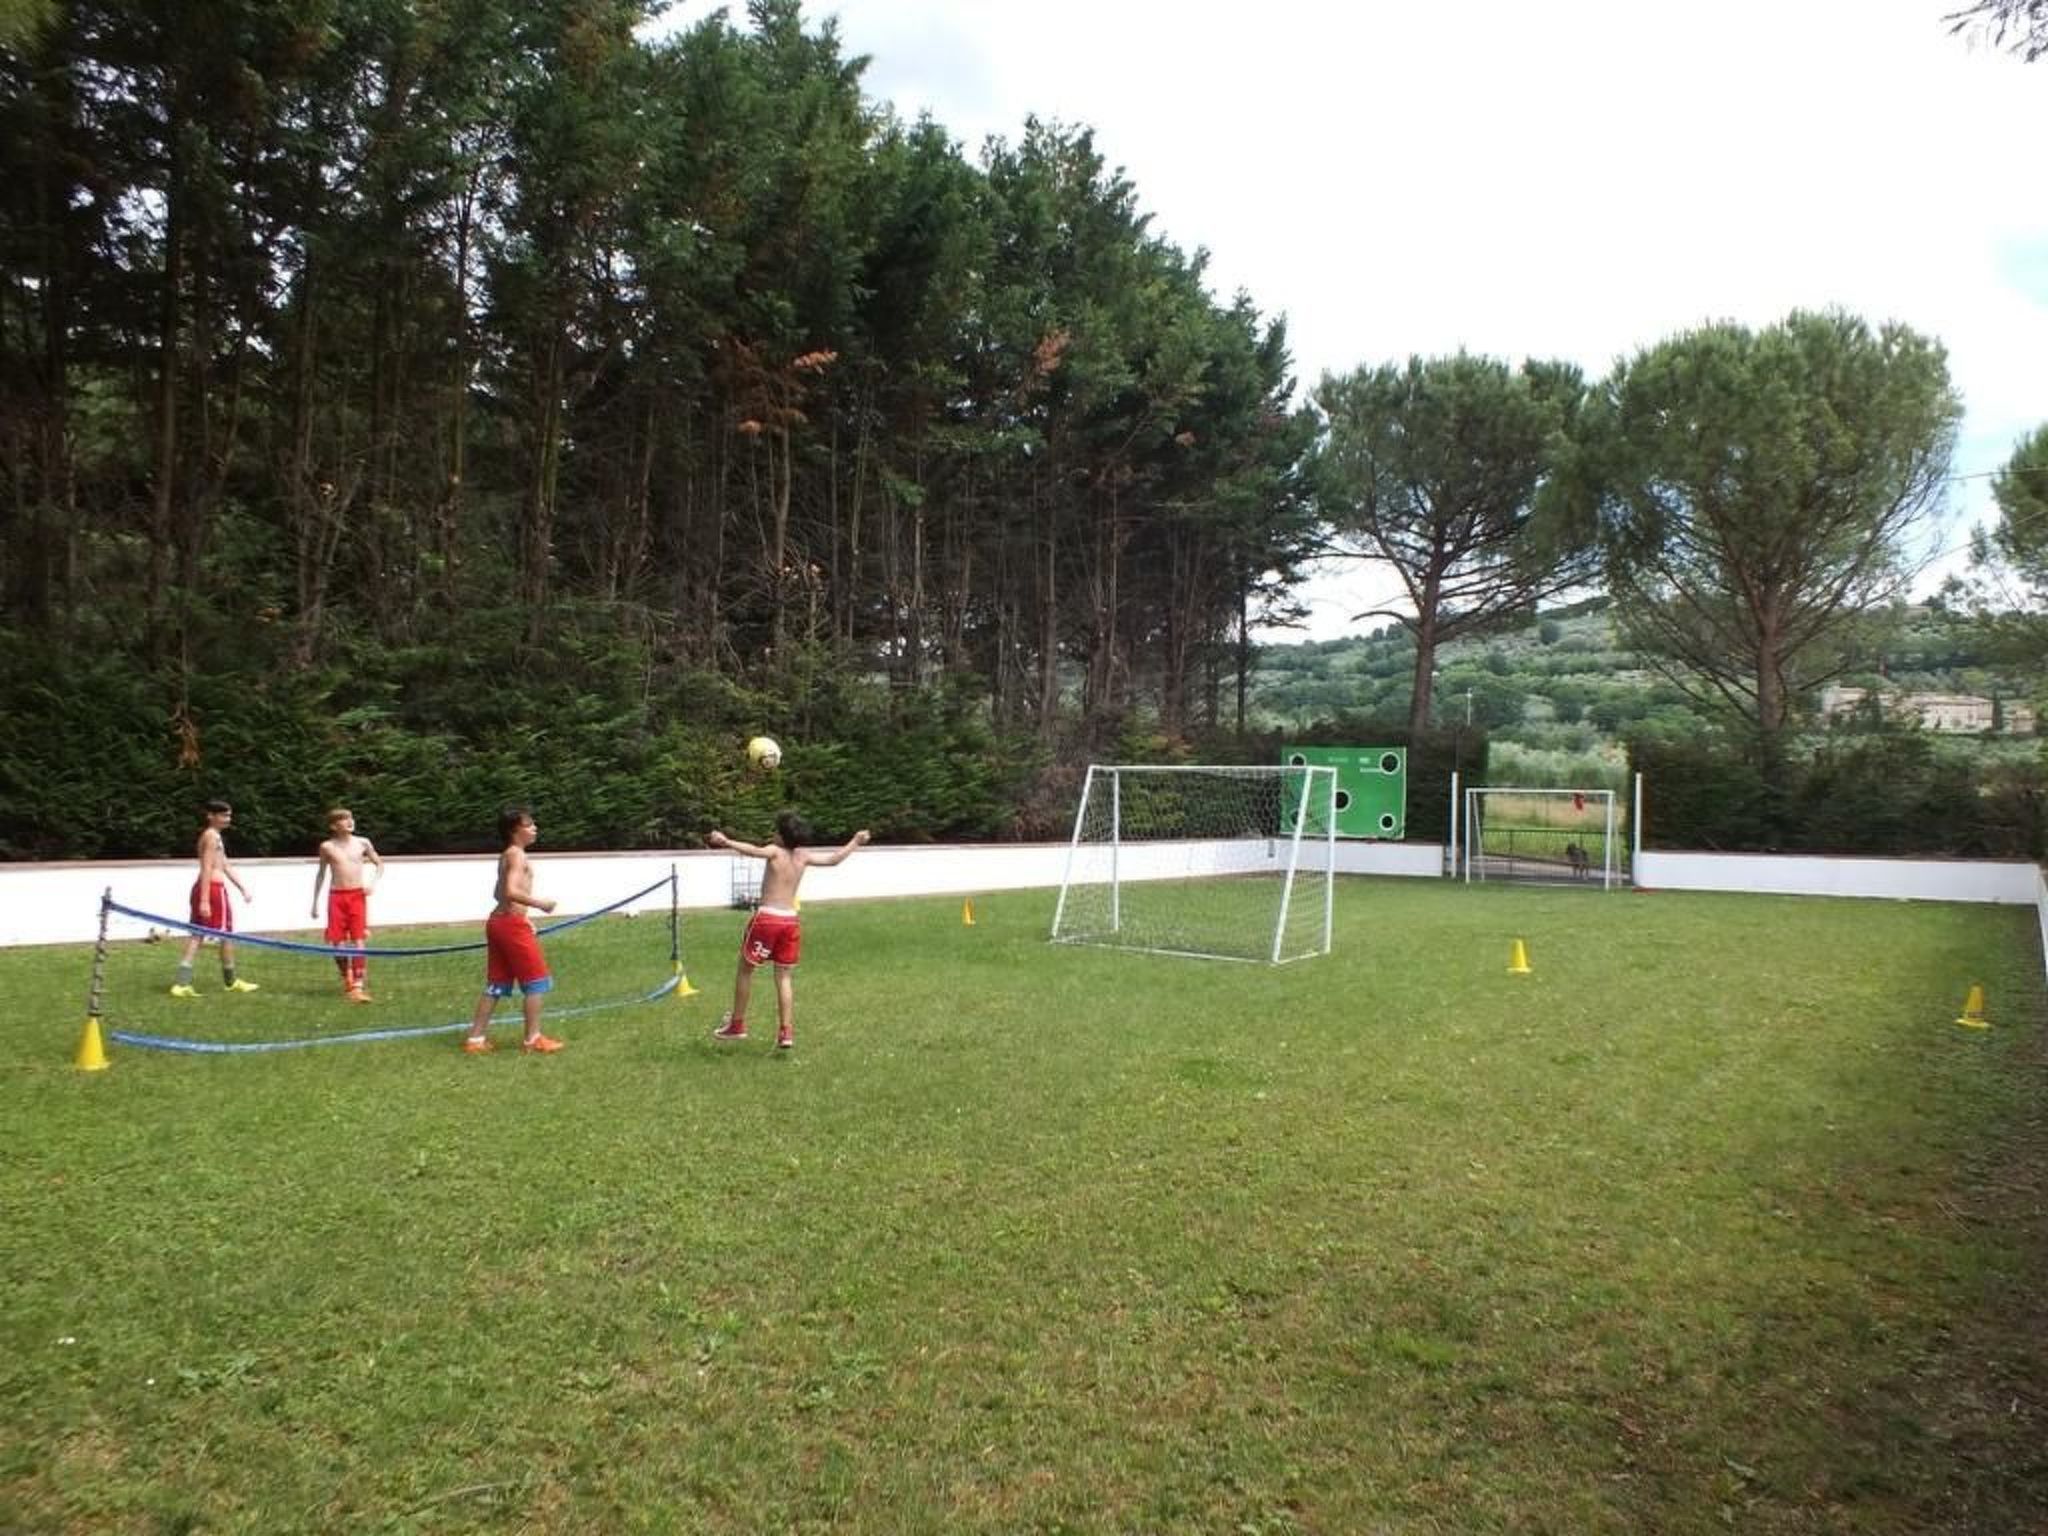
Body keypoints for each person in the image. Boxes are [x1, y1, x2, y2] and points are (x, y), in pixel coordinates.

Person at [708, 812, 871, 1051]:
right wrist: (855, 842)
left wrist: (725, 841)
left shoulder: (774, 851)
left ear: (782, 836)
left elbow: (752, 850)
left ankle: (737, 1024)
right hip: (790, 921)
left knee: (745, 970)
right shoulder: (802, 856)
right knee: (783, 977)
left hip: (767, 920)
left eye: (776, 830)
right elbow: (834, 860)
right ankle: (786, 1032)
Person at [462, 806, 563, 1055]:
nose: (534, 828)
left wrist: (521, 914)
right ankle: (533, 1039)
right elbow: (509, 891)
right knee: (536, 982)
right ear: (514, 830)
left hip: (499, 922)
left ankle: (475, 1040)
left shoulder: (507, 854)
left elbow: (498, 893)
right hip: (509, 926)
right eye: (529, 825)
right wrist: (541, 905)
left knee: (496, 984)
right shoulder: (516, 855)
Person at [170, 799, 259, 997]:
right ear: (211, 815)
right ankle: (194, 983)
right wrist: (204, 900)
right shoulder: (211, 837)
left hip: (211, 888)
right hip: (212, 890)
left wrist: (242, 887)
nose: (228, 819)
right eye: (224, 815)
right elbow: (207, 867)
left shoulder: (215, 837)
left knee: (209, 934)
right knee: (214, 935)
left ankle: (191, 983)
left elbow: (224, 865)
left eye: (229, 815)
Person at [311, 807, 384, 1002]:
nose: (350, 822)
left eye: (351, 818)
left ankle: (358, 985)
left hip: (357, 896)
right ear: (334, 826)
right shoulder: (327, 846)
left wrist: (372, 884)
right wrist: (315, 903)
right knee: (338, 943)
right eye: (344, 819)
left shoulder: (363, 842)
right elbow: (321, 874)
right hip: (336, 897)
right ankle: (347, 979)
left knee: (359, 939)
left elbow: (379, 864)